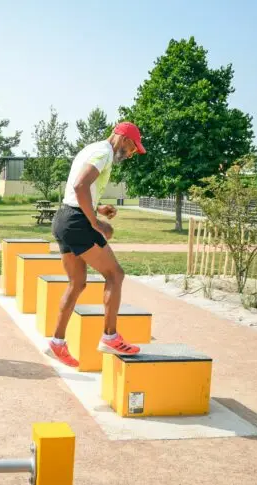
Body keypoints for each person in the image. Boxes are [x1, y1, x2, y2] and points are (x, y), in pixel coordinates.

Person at [47, 122, 146, 367]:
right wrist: (96, 223)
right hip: (78, 222)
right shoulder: (104, 153)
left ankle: (57, 343)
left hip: (63, 218)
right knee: (115, 275)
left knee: (77, 283)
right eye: (133, 147)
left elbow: (77, 191)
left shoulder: (91, 148)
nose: (132, 153)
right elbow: (81, 185)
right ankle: (110, 336)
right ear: (123, 138)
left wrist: (97, 207)